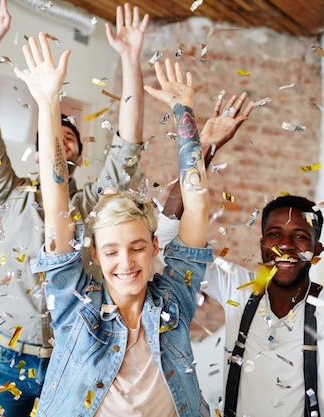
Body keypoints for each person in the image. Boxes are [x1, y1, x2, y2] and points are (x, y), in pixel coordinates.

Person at [158, 98, 324, 417]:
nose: (286, 245)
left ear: (316, 251)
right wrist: (203, 148)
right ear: (262, 243)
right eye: (275, 234)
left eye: (301, 236)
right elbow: (164, 242)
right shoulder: (238, 288)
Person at [18, 30, 212, 416]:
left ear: (155, 246)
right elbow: (57, 201)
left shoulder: (176, 300)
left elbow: (198, 203)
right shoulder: (75, 307)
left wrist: (183, 110)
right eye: (111, 251)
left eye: (138, 247)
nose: (126, 263)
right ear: (95, 254)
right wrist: (47, 102)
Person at [0, 1, 149, 414]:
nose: (61, 139)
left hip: (74, 355)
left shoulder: (95, 205)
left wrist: (130, 58)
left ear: (80, 158)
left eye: (70, 138)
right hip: (8, 355)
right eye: (54, 135)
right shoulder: (8, 193)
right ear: (37, 153)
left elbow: (127, 148)